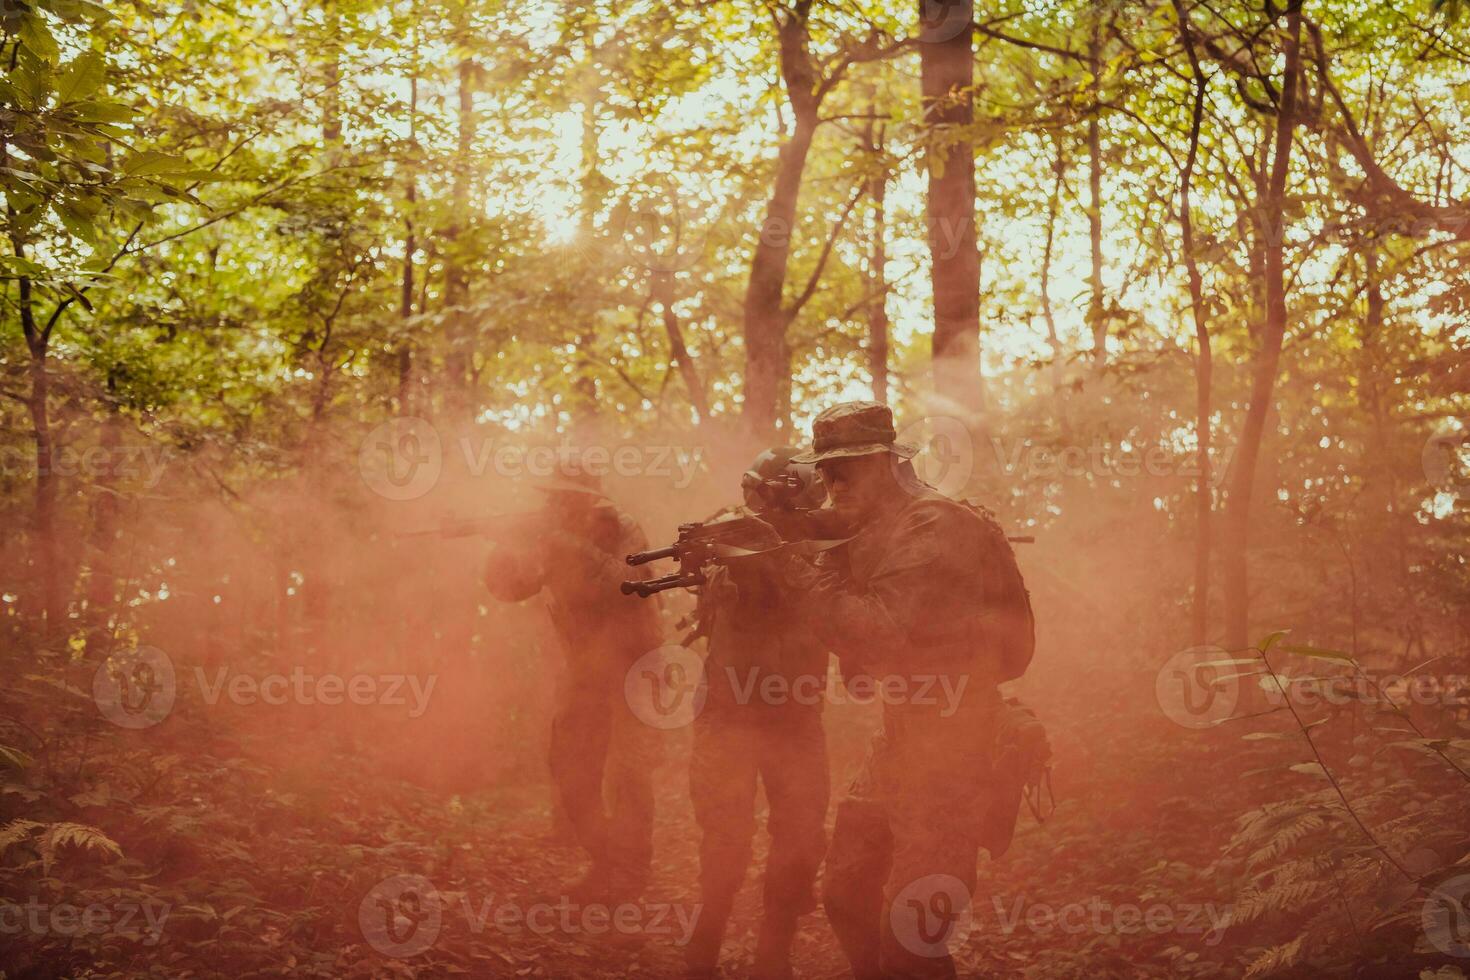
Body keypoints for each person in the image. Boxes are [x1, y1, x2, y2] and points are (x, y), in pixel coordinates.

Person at [790, 402, 1034, 980]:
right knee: (846, 894)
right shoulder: (877, 530)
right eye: (823, 472)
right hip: (902, 740)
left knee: (913, 930)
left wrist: (795, 571)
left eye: (841, 471)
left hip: (956, 745)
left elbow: (879, 631)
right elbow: (863, 662)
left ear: (880, 462)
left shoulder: (934, 524)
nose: (829, 484)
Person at [482, 463, 663, 903]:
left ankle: (630, 877)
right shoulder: (552, 538)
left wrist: (568, 543)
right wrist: (505, 547)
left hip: (635, 666)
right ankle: (605, 861)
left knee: (630, 775)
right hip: (584, 670)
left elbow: (630, 581)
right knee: (569, 769)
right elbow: (509, 588)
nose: (556, 503)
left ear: (587, 498)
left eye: (565, 495)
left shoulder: (622, 528)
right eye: (553, 496)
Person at [683, 449, 831, 980]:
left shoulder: (821, 548)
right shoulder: (731, 533)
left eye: (760, 494)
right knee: (724, 836)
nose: (750, 504)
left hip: (795, 719)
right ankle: (704, 946)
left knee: (800, 837)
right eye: (748, 493)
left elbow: (829, 600)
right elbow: (714, 564)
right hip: (730, 714)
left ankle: (775, 952)